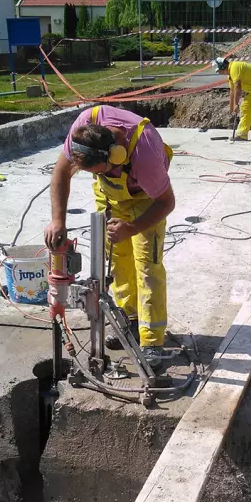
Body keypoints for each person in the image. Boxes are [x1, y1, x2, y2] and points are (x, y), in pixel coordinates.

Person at [44, 105, 175, 370]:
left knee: (147, 268)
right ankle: (130, 320)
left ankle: (152, 341)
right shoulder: (84, 128)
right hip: (111, 198)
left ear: (116, 154)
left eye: (102, 171)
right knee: (118, 263)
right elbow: (61, 172)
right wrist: (58, 220)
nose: (100, 175)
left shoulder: (145, 153)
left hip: (146, 200)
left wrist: (132, 227)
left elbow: (167, 202)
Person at [213, 57, 251, 144]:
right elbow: (232, 91)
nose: (219, 73)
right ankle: (242, 134)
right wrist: (231, 107)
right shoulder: (230, 75)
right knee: (245, 108)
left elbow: (238, 87)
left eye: (219, 71)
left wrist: (236, 104)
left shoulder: (234, 68)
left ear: (222, 67)